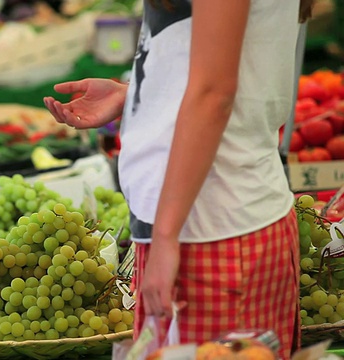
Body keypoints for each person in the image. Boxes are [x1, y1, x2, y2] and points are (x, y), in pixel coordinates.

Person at [43, 1, 313, 358]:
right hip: (202, 225)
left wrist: (167, 235)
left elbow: (214, 93)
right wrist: (142, 89)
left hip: (209, 233)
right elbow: (230, 61)